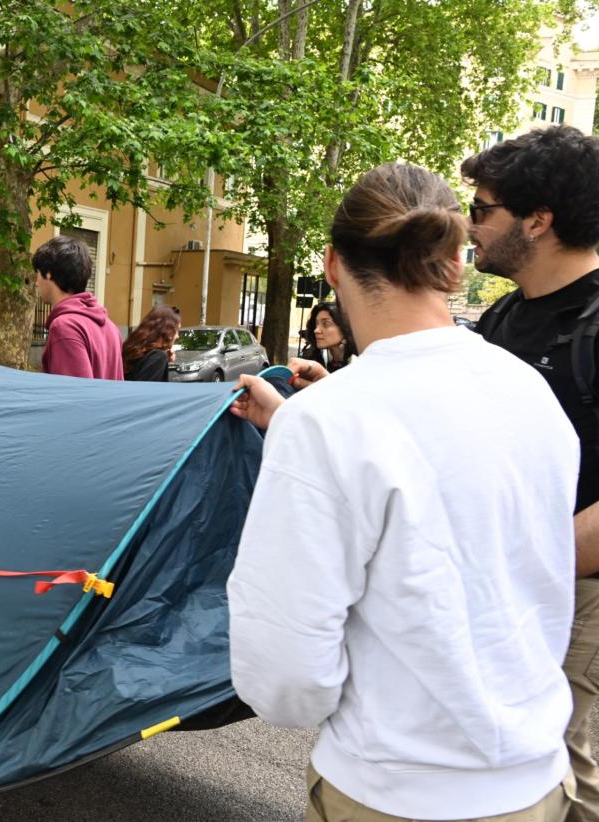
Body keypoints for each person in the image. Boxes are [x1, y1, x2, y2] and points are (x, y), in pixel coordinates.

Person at [226, 163, 578, 821]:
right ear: (452, 262)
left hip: (393, 792)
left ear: (332, 264)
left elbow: (285, 678)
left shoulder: (329, 426)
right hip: (536, 784)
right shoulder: (530, 391)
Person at [464, 125, 599, 820]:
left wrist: (539, 560)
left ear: (538, 221)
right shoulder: (503, 316)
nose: (469, 224)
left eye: (482, 207)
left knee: (567, 774)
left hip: (578, 598)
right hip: (508, 586)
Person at [34, 235, 123, 380]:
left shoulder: (65, 327)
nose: (36, 283)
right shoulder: (110, 327)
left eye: (37, 274)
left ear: (48, 274)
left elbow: (75, 398)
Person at [122, 305, 180, 382]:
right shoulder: (158, 356)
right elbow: (146, 390)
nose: (177, 336)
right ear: (167, 332)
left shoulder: (133, 349)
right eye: (177, 330)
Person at [299, 302, 355, 374]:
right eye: (316, 324)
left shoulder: (362, 360)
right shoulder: (310, 359)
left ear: (345, 328)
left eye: (326, 324)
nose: (316, 330)